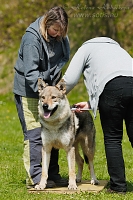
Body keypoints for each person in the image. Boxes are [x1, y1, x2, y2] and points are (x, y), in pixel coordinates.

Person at [63, 37, 133, 194]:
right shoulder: (119, 49)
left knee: (113, 139)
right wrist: (91, 104)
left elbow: (70, 80)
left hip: (111, 88)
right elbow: (123, 80)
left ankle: (119, 187)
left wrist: (52, 95)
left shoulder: (86, 48)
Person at [13, 6, 70, 189]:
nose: (58, 34)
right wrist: (45, 93)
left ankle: (52, 173)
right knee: (35, 133)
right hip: (30, 91)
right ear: (47, 23)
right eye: (55, 30)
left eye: (61, 32)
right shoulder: (32, 39)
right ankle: (36, 177)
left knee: (53, 130)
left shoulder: (59, 37)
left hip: (49, 91)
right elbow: (31, 73)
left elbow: (60, 61)